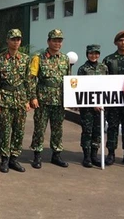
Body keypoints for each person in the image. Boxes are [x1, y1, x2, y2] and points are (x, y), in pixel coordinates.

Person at [0, 29, 35, 173]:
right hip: (5, 99)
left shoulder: (25, 59)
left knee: (19, 131)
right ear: (7, 41)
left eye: (18, 39)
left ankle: (14, 159)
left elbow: (29, 81)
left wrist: (29, 99)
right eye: (13, 39)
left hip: (21, 100)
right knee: (4, 131)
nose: (16, 42)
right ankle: (4, 159)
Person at [30, 29, 70, 168]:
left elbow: (68, 80)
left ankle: (56, 155)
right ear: (48, 41)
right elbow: (32, 79)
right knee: (40, 128)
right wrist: (33, 97)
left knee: (57, 128)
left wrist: (70, 99)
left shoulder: (65, 59)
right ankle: (37, 155)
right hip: (42, 100)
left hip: (59, 100)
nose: (57, 43)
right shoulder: (38, 57)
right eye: (55, 40)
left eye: (60, 41)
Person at [102, 31, 124, 167]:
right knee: (112, 127)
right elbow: (102, 79)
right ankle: (111, 154)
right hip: (113, 100)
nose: (123, 43)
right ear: (116, 43)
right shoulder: (109, 60)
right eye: (121, 40)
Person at [77, 44, 108, 168]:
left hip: (101, 107)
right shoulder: (82, 69)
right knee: (87, 131)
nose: (93, 56)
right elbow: (81, 88)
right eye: (91, 53)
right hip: (87, 107)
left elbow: (107, 86)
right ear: (87, 54)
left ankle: (94, 155)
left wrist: (101, 102)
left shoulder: (104, 68)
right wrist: (92, 103)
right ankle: (87, 156)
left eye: (96, 53)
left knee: (98, 131)